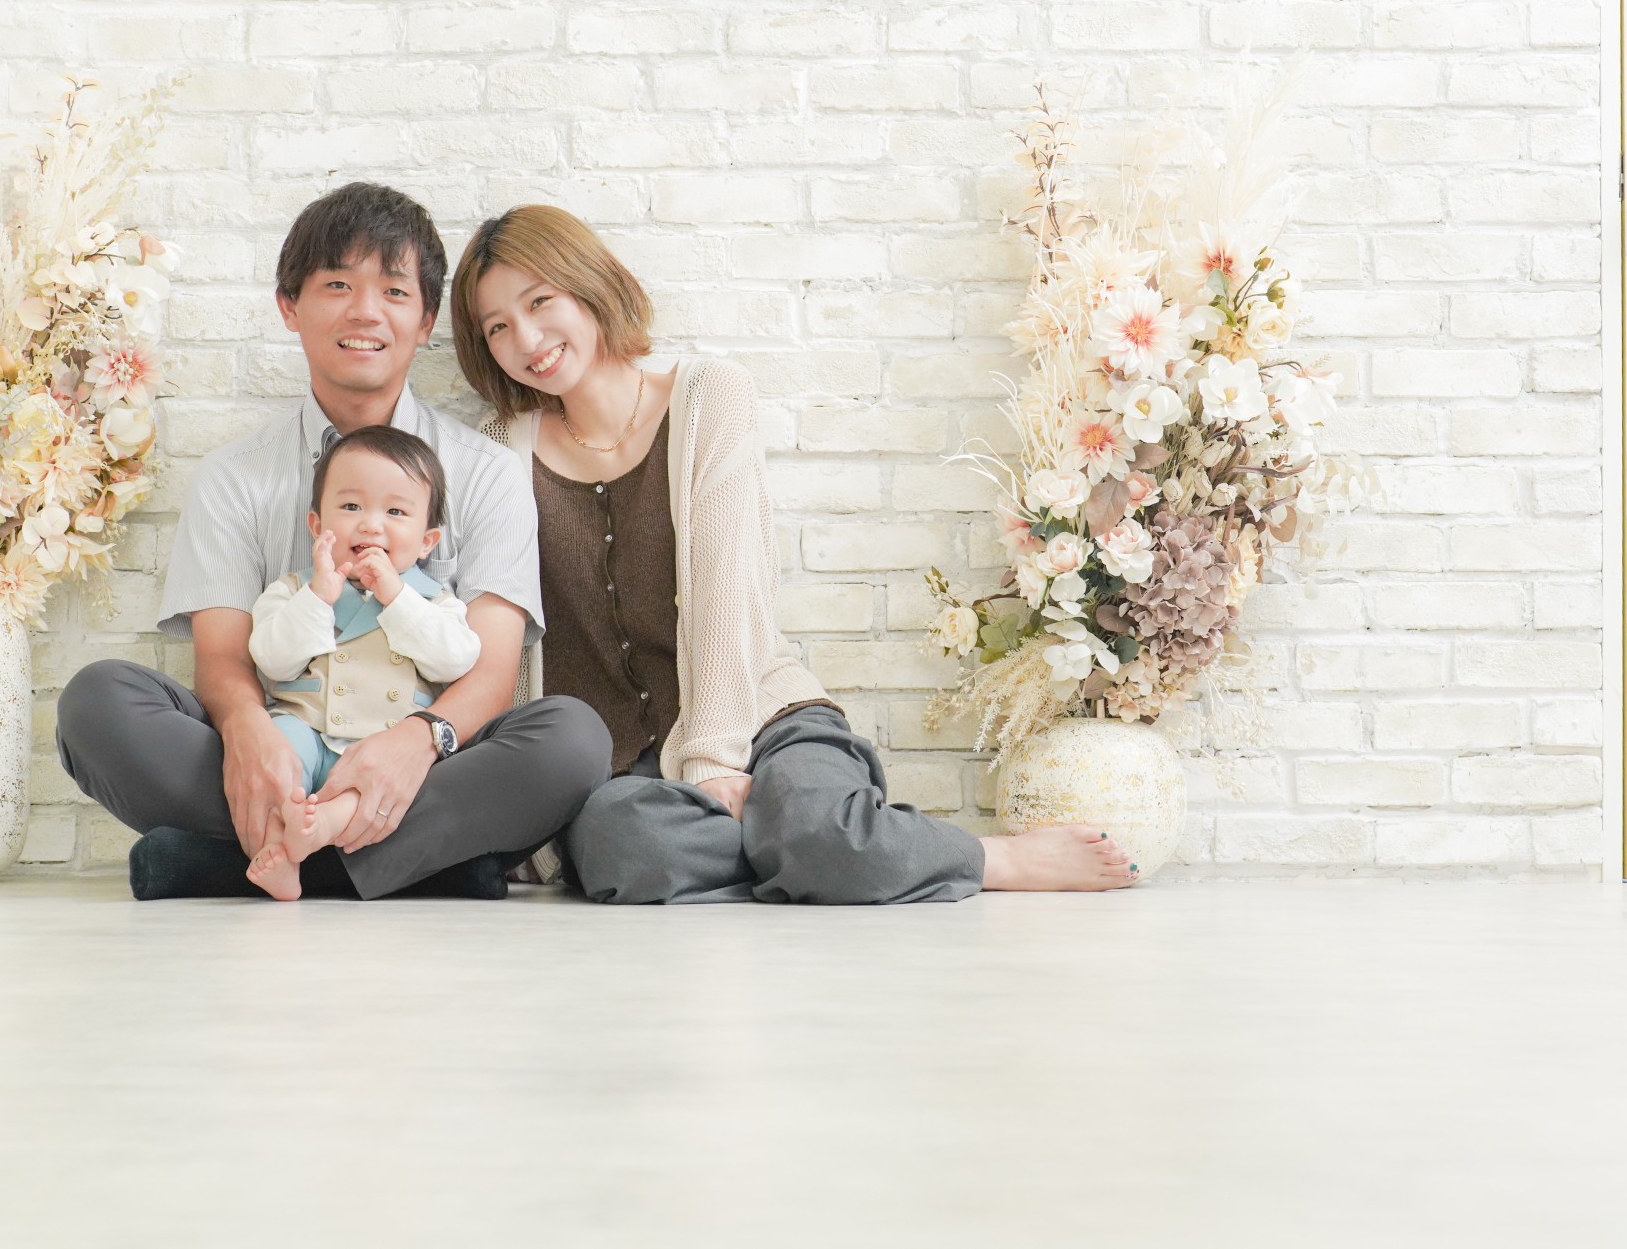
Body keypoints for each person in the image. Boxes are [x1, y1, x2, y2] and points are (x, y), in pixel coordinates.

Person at [451, 203, 1137, 904]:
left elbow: (726, 587)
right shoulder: (501, 446)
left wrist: (713, 760)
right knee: (621, 846)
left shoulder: (707, 395)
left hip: (762, 720)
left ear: (588, 283)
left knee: (802, 826)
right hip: (633, 779)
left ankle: (980, 857)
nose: (526, 338)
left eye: (540, 302)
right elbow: (506, 637)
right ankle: (812, 846)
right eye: (496, 326)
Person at [56, 183, 611, 900]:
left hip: (425, 766)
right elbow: (223, 662)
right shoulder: (234, 477)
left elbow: (492, 674)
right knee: (97, 703)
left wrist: (417, 742)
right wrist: (250, 734)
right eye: (338, 285)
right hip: (284, 746)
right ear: (289, 306)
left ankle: (236, 861)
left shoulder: (487, 472)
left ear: (427, 319)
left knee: (573, 740)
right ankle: (424, 864)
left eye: (394, 291)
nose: (366, 312)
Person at [243, 426, 482, 900]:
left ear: (427, 541)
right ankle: (278, 854)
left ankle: (320, 829)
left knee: (387, 790)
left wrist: (396, 597)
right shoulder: (292, 590)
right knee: (277, 756)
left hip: (385, 749)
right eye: (351, 507)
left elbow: (455, 661)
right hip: (308, 731)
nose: (371, 525)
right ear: (317, 525)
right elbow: (272, 660)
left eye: (395, 512)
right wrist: (318, 598)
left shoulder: (435, 603)